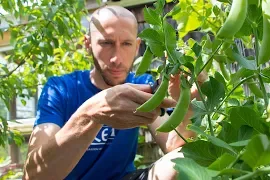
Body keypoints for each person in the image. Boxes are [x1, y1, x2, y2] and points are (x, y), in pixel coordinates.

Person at [22, 5, 205, 180]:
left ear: (137, 46)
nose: (117, 58)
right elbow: (34, 176)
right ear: (88, 44)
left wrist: (189, 105)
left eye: (126, 43)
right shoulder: (59, 89)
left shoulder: (143, 85)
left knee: (185, 161)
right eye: (106, 43)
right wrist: (91, 113)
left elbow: (173, 146)